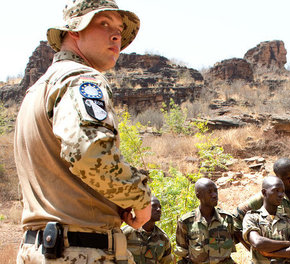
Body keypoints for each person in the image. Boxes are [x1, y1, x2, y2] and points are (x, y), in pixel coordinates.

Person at [14, 0, 152, 263]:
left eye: (120, 28)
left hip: (39, 249)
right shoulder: (81, 79)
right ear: (74, 31)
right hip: (82, 250)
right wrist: (140, 198)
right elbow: (89, 155)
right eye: (103, 23)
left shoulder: (37, 91)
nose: (116, 35)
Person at [235, 158, 290, 262]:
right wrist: (255, 250)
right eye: (288, 178)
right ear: (278, 178)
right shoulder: (268, 196)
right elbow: (236, 219)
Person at [242, 176, 290, 264]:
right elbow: (258, 243)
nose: (281, 195)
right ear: (264, 192)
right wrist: (288, 244)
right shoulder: (252, 217)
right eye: (276, 190)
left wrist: (273, 254)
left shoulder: (289, 220)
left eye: (282, 191)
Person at [174, 178, 237, 264]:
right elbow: (182, 252)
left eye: (215, 191)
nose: (214, 195)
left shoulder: (226, 218)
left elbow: (230, 247)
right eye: (209, 192)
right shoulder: (186, 222)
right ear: (198, 196)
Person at [122, 196, 174, 264]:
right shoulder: (126, 233)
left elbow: (166, 261)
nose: (158, 209)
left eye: (160, 207)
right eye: (154, 206)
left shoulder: (163, 238)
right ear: (143, 209)